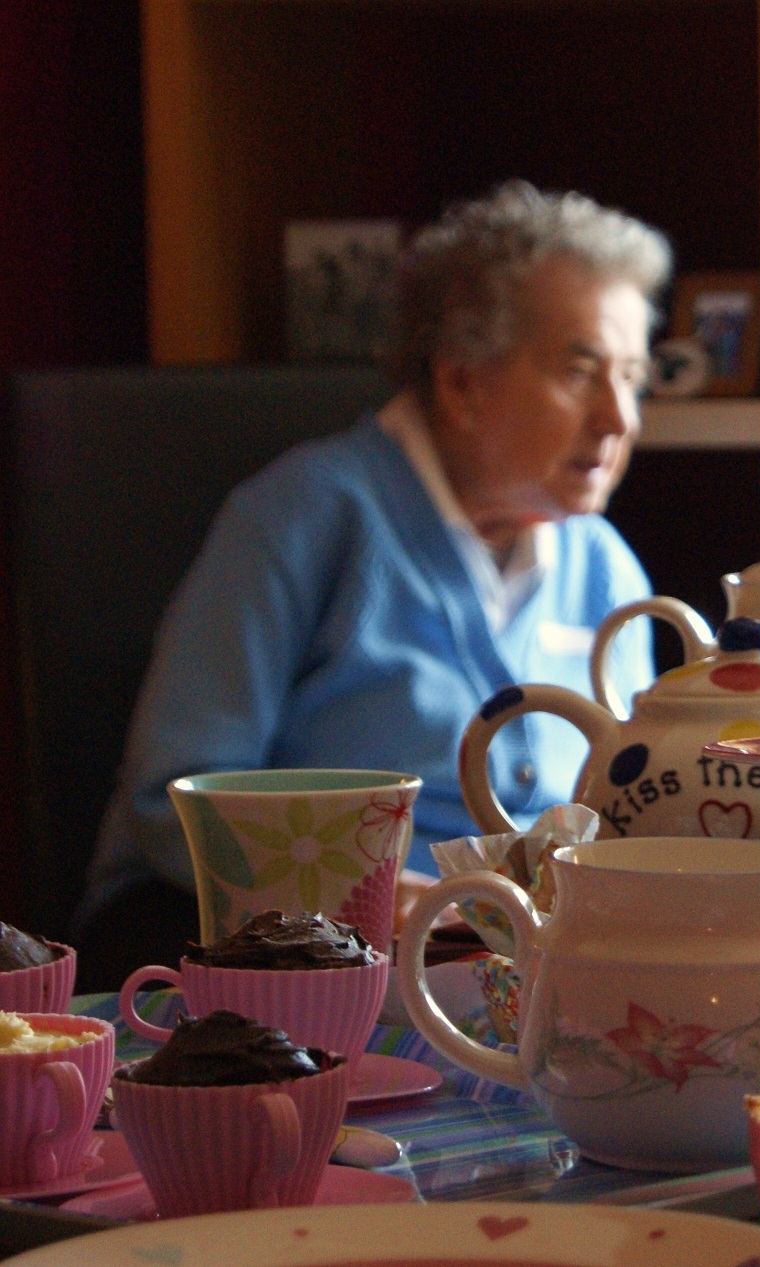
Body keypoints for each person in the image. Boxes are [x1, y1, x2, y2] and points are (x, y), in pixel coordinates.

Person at [75, 182, 668, 986]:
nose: (619, 417)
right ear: (461, 381)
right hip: (270, 947)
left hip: (509, 962)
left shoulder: (604, 564)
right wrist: (380, 903)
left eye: (632, 377)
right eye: (579, 371)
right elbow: (168, 800)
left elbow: (639, 806)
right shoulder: (304, 516)